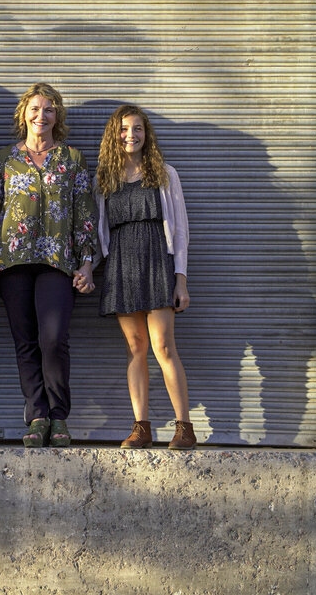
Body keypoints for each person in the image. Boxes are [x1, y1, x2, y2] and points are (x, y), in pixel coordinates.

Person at [0, 82, 97, 448]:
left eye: (48, 109)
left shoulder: (73, 160)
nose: (41, 115)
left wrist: (88, 263)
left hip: (58, 260)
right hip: (12, 260)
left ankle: (59, 415)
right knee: (25, 342)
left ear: (57, 116)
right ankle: (37, 416)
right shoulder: (4, 160)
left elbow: (85, 216)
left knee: (53, 339)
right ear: (23, 114)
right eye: (34, 108)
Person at [94, 104, 196, 450]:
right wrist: (86, 267)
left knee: (164, 346)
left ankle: (184, 426)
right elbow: (98, 234)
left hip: (157, 263)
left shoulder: (165, 174)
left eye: (137, 129)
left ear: (146, 135)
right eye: (124, 129)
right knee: (135, 348)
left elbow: (180, 230)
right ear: (114, 135)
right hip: (122, 266)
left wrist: (180, 279)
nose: (131, 136)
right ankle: (142, 427)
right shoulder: (104, 180)